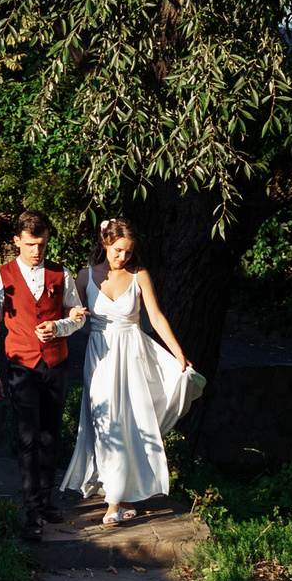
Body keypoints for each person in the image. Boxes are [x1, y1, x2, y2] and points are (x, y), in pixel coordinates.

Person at [60, 217, 202, 527]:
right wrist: (70, 318)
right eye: (117, 250)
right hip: (99, 358)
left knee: (126, 424)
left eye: (128, 251)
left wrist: (178, 353)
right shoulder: (85, 276)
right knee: (105, 424)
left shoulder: (140, 276)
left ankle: (114, 501)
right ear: (105, 244)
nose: (122, 257)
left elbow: (156, 316)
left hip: (133, 356)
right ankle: (120, 495)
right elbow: (72, 316)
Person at [0, 211, 87, 540]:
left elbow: (78, 315)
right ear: (16, 241)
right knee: (27, 436)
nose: (36, 251)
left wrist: (60, 327)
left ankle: (46, 497)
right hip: (20, 365)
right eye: (29, 244)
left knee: (50, 434)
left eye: (40, 244)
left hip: (56, 364)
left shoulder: (61, 274)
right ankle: (31, 508)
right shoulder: (0, 277)